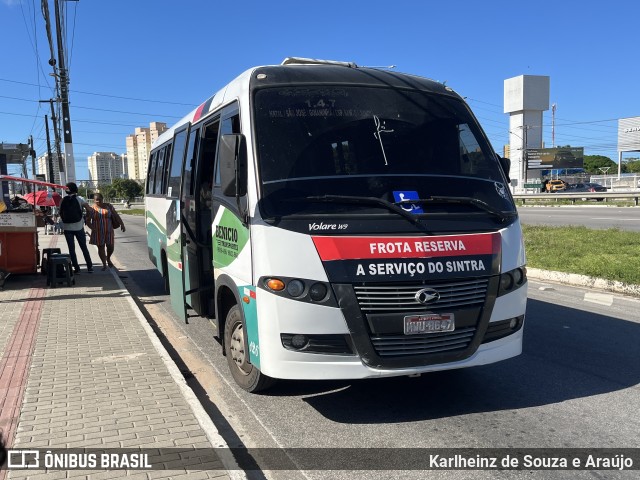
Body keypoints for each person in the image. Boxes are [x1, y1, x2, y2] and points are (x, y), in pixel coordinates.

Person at [60, 182, 93, 273]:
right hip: (79, 227)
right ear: (76, 189)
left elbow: (60, 212)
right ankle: (90, 267)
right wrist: (88, 217)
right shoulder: (80, 199)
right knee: (84, 247)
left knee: (71, 249)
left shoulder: (63, 200)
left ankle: (76, 268)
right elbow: (89, 209)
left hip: (67, 227)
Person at [86, 193, 125, 270]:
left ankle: (108, 258)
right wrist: (92, 228)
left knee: (110, 246)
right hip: (98, 232)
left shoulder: (109, 206)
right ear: (94, 200)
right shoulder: (91, 209)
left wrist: (122, 224)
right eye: (96, 200)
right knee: (101, 248)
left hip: (109, 231)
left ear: (102, 199)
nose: (98, 202)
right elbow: (87, 221)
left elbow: (116, 215)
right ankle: (104, 264)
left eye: (99, 200)